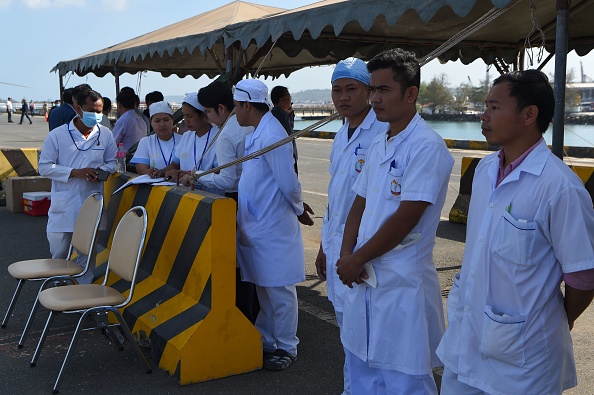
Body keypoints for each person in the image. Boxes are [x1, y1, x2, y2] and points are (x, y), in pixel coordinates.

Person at [437, 70, 594, 395]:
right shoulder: (484, 171)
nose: (484, 115)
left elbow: (583, 276)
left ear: (529, 114)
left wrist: (549, 320)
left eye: (494, 107)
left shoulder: (559, 187)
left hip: (525, 362)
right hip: (467, 343)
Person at [336, 48, 453, 395]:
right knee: (361, 371)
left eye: (383, 90)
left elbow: (406, 217)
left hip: (401, 284)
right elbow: (359, 202)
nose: (374, 99)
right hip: (363, 277)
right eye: (372, 89)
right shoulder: (379, 142)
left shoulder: (426, 146)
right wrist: (347, 253)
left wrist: (357, 258)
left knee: (405, 381)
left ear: (411, 93)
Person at [314, 57, 388, 395]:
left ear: (369, 91)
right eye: (336, 90)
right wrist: (322, 247)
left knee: (369, 340)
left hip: (363, 252)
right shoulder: (342, 132)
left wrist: (351, 252)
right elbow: (335, 196)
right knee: (349, 335)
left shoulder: (381, 131)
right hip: (336, 247)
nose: (342, 97)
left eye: (351, 89)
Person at [233, 79, 314, 371]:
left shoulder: (271, 134)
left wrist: (298, 209)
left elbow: (288, 181)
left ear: (246, 105)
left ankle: (287, 346)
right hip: (257, 225)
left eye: (236, 106)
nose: (234, 113)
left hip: (272, 226)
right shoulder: (257, 133)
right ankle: (267, 339)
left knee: (279, 289)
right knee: (264, 287)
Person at [39, 88, 117, 284]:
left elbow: (113, 162)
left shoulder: (105, 134)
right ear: (77, 108)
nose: (97, 115)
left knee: (87, 251)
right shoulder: (58, 135)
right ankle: (59, 285)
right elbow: (44, 168)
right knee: (59, 251)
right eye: (91, 110)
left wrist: (101, 171)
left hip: (92, 200)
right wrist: (74, 172)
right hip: (64, 204)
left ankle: (84, 291)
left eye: (100, 110)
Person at [197, 81, 258, 323]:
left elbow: (225, 180)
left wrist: (198, 176)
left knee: (240, 265)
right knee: (254, 266)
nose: (208, 118)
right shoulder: (252, 125)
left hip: (237, 199)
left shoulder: (227, 133)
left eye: (209, 112)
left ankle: (244, 319)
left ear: (221, 108)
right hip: (256, 199)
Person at [162, 92, 219, 193]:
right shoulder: (187, 136)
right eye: (184, 116)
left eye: (190, 116)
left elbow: (219, 171)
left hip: (210, 196)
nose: (186, 120)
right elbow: (175, 164)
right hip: (186, 193)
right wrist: (161, 172)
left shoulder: (218, 136)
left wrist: (189, 175)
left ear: (203, 115)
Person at [130, 101, 178, 177]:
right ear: (151, 122)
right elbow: (141, 168)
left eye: (166, 120)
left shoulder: (184, 140)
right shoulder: (146, 142)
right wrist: (150, 172)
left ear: (172, 120)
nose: (162, 124)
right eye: (157, 121)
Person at [270, 85, 298, 173]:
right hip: (286, 159)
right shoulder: (282, 116)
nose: (291, 100)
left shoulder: (273, 114)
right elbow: (289, 134)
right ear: (282, 100)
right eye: (289, 97)